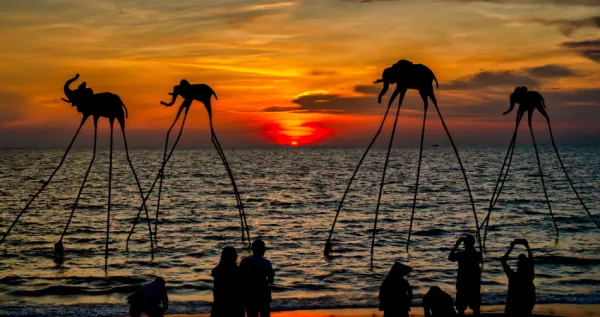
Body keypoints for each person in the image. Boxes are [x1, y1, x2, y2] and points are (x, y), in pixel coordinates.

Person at [449, 235, 482, 317]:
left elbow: (450, 257)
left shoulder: (462, 255)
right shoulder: (477, 255)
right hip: (474, 283)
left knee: (460, 308)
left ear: (465, 244)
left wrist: (456, 245)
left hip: (463, 283)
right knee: (475, 308)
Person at [501, 239, 536, 316]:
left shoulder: (513, 276)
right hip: (525, 310)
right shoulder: (529, 277)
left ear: (518, 265)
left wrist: (511, 248)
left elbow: (503, 260)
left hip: (511, 310)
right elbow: (531, 263)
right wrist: (527, 247)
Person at [241, 239, 275, 317]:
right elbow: (271, 280)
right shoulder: (266, 262)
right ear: (263, 250)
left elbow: (241, 277)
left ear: (253, 249)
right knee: (265, 313)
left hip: (249, 293)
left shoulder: (245, 261)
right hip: (263, 292)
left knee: (252, 314)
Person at [211, 246, 244, 317]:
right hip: (235, 305)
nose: (236, 257)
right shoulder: (238, 271)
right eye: (235, 255)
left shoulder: (217, 270)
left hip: (219, 305)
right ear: (232, 257)